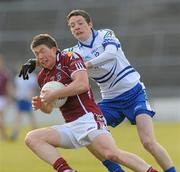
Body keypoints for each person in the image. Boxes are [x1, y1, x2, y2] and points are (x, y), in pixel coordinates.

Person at [18, 10, 176, 172]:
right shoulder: (74, 52)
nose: (77, 27)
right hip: (110, 100)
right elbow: (54, 56)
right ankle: (115, 169)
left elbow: (111, 54)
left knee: (148, 142)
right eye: (72, 26)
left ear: (90, 24)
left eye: (80, 23)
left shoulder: (105, 34)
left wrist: (86, 65)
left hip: (134, 93)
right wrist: (34, 61)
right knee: (87, 134)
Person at [10, 72, 37, 141]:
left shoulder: (32, 77)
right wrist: (14, 95)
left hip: (27, 99)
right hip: (20, 98)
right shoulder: (18, 76)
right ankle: (15, 133)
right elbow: (15, 87)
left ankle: (36, 132)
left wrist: (30, 96)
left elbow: (33, 88)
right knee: (18, 116)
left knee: (31, 116)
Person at [0, 55, 12, 141]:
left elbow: (8, 87)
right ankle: (4, 136)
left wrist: (9, 97)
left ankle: (4, 136)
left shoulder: (5, 74)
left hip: (2, 98)